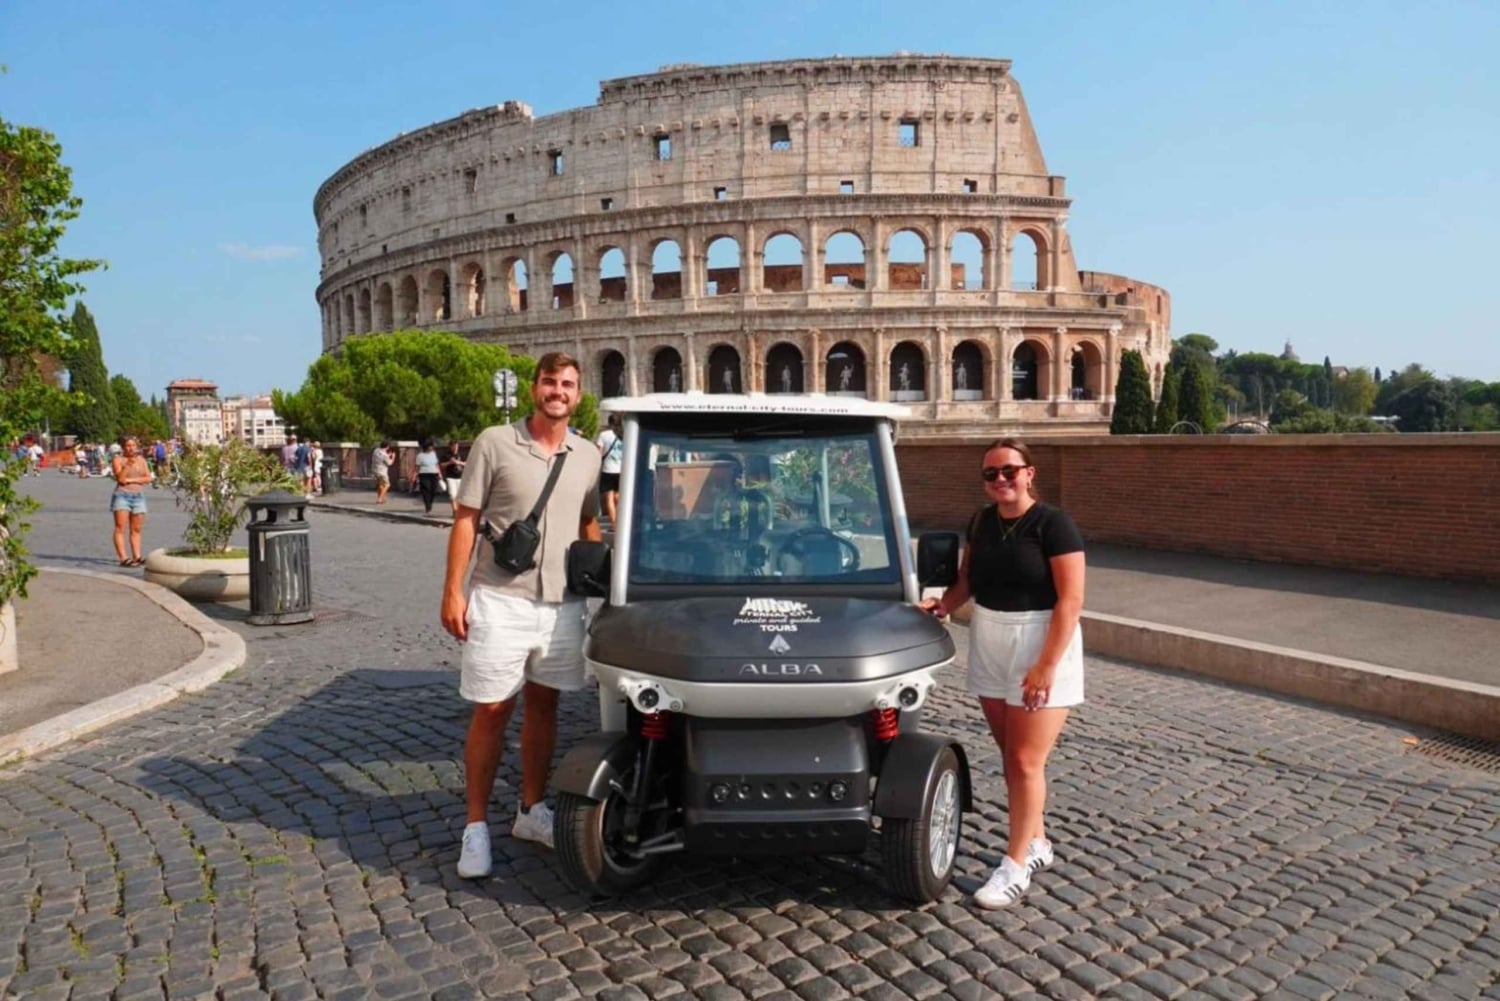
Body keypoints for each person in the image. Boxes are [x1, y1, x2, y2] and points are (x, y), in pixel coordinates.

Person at [440, 352, 603, 878]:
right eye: (550, 382)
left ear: (578, 395)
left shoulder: (587, 455)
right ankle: (475, 827)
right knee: (491, 709)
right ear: (535, 388)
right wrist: (453, 593)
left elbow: (587, 522)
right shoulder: (494, 442)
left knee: (544, 707)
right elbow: (465, 521)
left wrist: (600, 586)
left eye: (568, 384)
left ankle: (531, 810)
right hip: (501, 597)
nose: (558, 391)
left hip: (562, 604)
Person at [920, 437, 1086, 909]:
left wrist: (1045, 666)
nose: (1000, 480)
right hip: (991, 635)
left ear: (1030, 472)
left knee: (1026, 761)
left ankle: (1014, 867)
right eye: (990, 474)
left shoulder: (1054, 524)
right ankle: (1037, 843)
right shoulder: (982, 521)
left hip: (1041, 639)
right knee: (1010, 752)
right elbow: (969, 578)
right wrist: (943, 605)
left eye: (1009, 470)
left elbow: (1071, 601)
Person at [109, 437, 153, 567]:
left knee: (137, 528)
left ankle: (137, 556)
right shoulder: (118, 460)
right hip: (122, 495)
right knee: (120, 527)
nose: (131, 448)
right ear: (123, 447)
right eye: (128, 445)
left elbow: (148, 478)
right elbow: (121, 479)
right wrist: (128, 465)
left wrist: (131, 480)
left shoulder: (142, 460)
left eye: (133, 445)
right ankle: (124, 558)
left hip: (138, 496)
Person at [595, 414, 624, 525]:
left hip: (608, 470)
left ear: (609, 423)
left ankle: (615, 524)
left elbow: (599, 453)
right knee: (618, 496)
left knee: (609, 498)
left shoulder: (604, 435)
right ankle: (621, 521)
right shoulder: (623, 435)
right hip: (622, 470)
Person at [415, 439, 442, 514]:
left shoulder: (434, 454)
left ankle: (430, 502)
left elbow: (436, 464)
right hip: (424, 474)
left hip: (434, 474)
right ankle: (428, 506)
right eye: (431, 446)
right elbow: (417, 467)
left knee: (433, 490)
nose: (432, 448)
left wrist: (440, 474)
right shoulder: (420, 456)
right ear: (427, 447)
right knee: (426, 490)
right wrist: (415, 476)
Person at [441, 445, 466, 515]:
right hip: (450, 477)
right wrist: (450, 462)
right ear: (451, 447)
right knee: (452, 494)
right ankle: (455, 510)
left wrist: (458, 462)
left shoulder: (461, 455)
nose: (455, 448)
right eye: (453, 446)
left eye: (456, 446)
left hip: (460, 477)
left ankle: (458, 509)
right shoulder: (446, 455)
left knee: (459, 495)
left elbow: (466, 463)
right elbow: (442, 465)